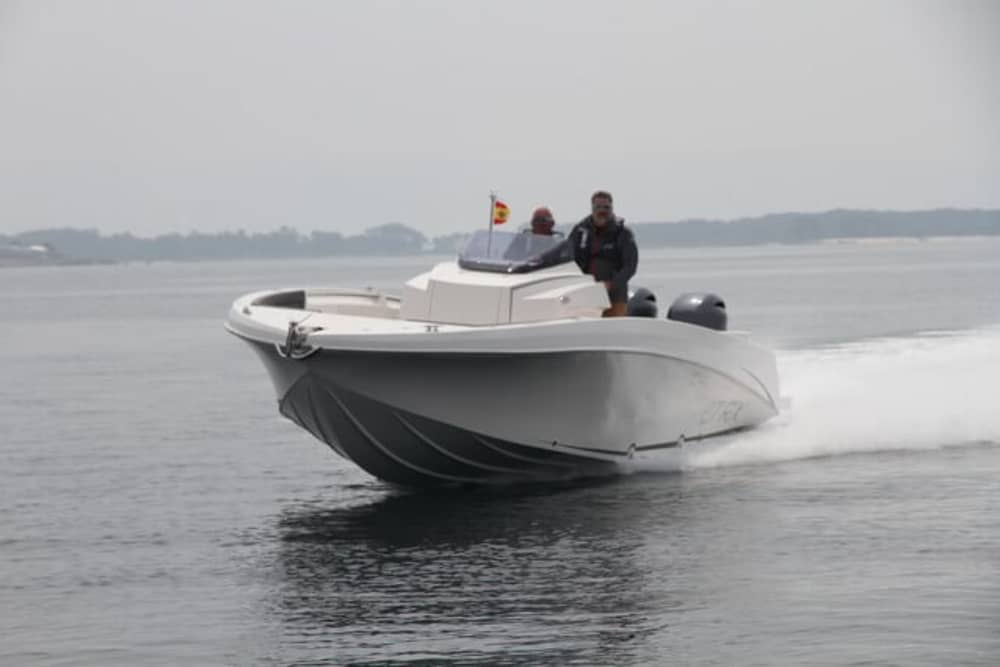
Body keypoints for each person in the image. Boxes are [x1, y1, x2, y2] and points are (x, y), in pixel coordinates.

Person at [567, 190, 638, 317]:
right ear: (592, 208)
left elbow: (630, 266)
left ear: (612, 208)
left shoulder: (623, 233)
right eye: (598, 207)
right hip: (586, 294)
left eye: (606, 207)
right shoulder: (580, 231)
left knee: (615, 330)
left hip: (615, 297)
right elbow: (568, 257)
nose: (602, 211)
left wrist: (612, 284)